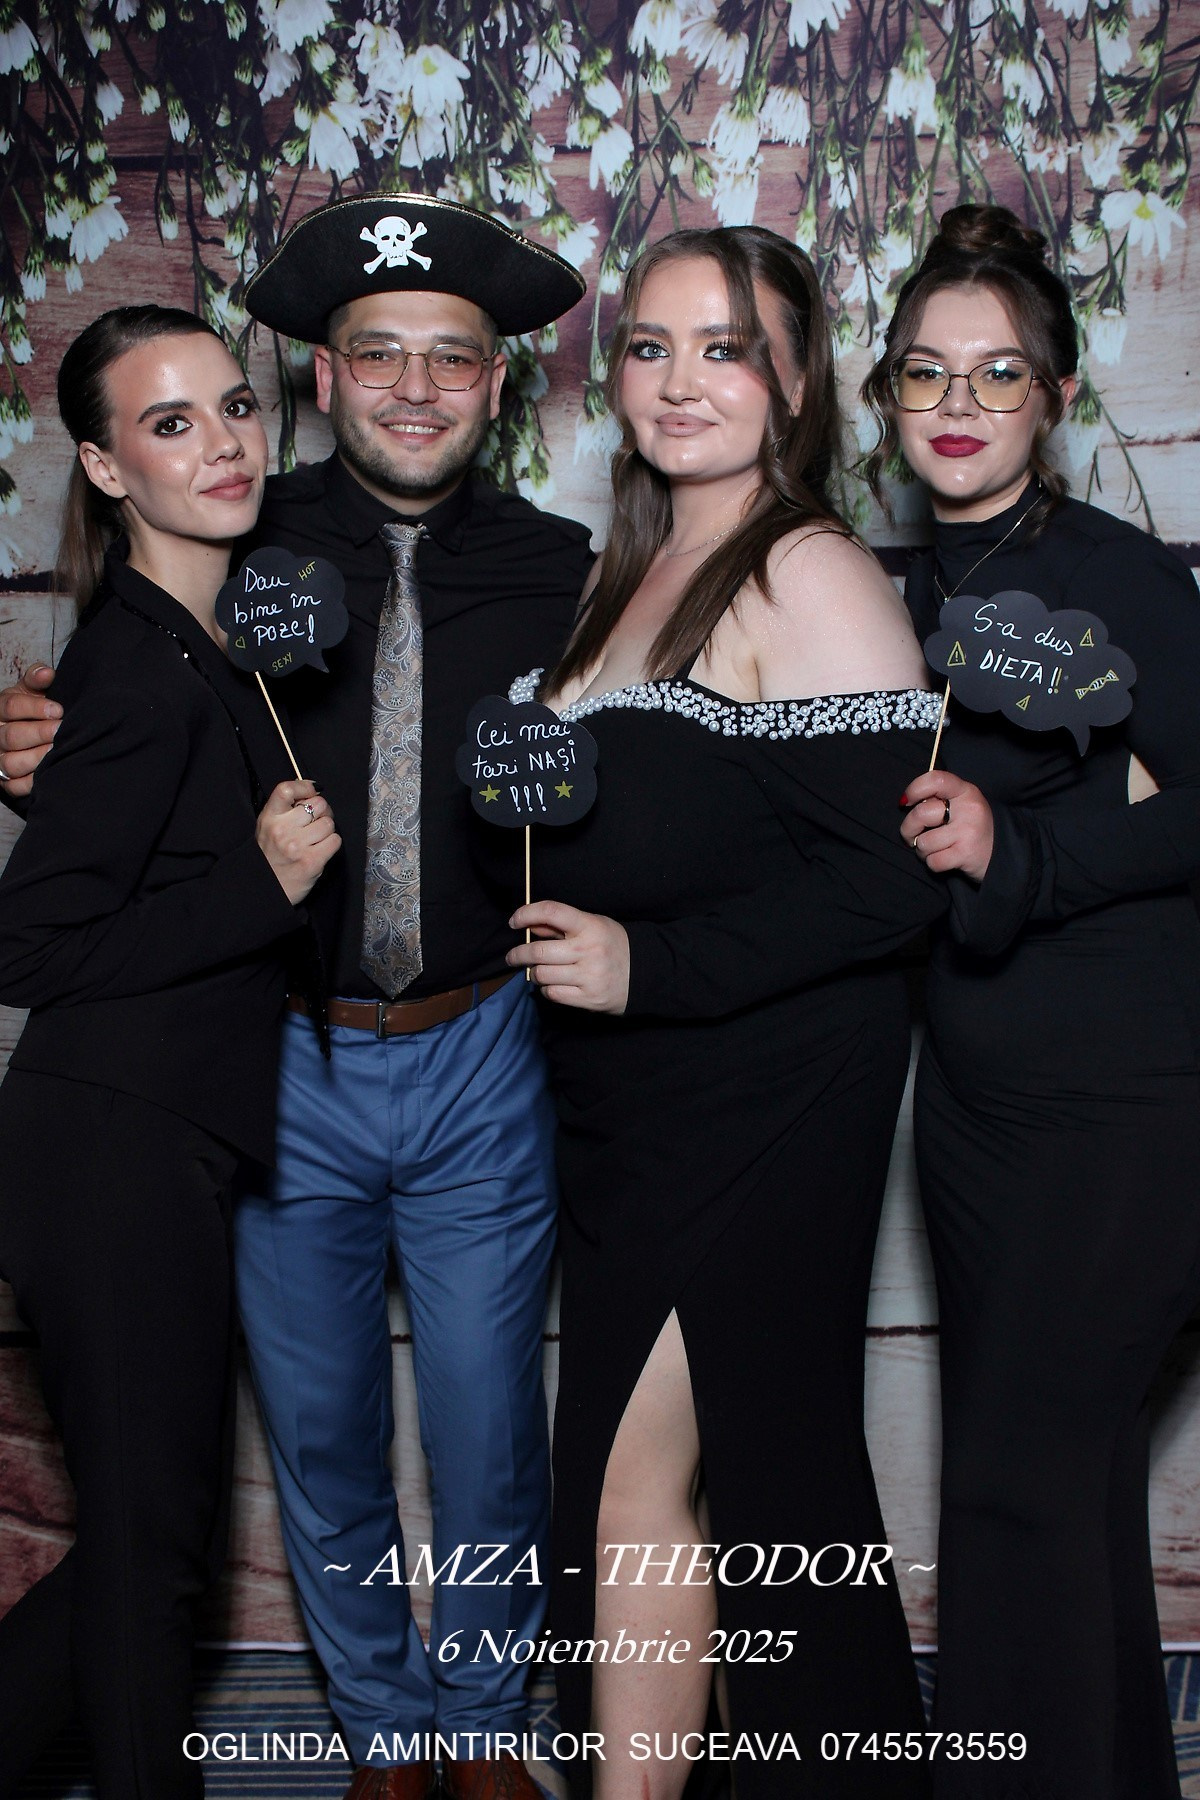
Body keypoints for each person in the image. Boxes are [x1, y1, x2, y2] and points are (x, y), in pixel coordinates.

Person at [0, 194, 592, 1800]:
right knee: (320, 1429)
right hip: (280, 1056)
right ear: (324, 377)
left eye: (452, 358)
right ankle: (383, 1729)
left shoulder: (565, 571)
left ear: (497, 383)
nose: (415, 388)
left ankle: (483, 1725)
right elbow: (128, 711)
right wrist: (31, 732)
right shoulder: (239, 544)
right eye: (377, 354)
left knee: (488, 1426)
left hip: (479, 1042)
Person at [504, 225, 947, 1799]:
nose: (681, 381)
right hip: (626, 1110)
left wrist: (650, 968)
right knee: (642, 1496)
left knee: (683, 1479)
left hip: (766, 1101)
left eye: (727, 348)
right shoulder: (619, 577)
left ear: (797, 380)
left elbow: (892, 886)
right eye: (650, 347)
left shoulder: (808, 568)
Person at [862, 203, 1200, 1799]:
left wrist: (1031, 849)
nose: (960, 403)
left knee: (1016, 1487)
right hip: (976, 1106)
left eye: (999, 373)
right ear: (885, 397)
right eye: (927, 372)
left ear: (1056, 398)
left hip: (1127, 1101)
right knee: (1058, 1495)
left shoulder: (1120, 578)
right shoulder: (872, 591)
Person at [0, 306, 339, 1797]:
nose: (222, 445)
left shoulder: (213, 653)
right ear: (104, 467)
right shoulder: (133, 671)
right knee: (151, 1562)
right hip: (106, 1154)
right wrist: (257, 885)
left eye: (233, 408)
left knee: (151, 1546)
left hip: (160, 1147)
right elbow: (27, 948)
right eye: (170, 423)